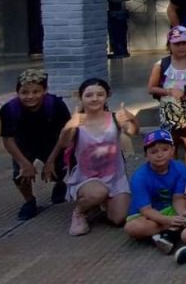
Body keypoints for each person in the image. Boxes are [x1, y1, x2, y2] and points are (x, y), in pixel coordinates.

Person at [57, 78, 139, 236]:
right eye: (89, 95)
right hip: (86, 178)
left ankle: (102, 203)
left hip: (115, 177)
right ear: (80, 97)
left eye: (100, 94)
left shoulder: (114, 118)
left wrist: (131, 118)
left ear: (107, 96)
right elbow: (64, 143)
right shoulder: (78, 121)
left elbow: (132, 131)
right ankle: (79, 212)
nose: (95, 99)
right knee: (98, 192)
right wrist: (70, 126)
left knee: (119, 218)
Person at [0, 69, 71, 221]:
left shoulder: (56, 105)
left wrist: (51, 161)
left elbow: (64, 134)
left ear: (45, 90)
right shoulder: (9, 110)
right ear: (17, 92)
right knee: (20, 175)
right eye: (24, 92)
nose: (30, 96)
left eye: (36, 92)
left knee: (59, 169)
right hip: (23, 144)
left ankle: (60, 183)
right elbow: (7, 139)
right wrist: (24, 163)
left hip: (52, 142)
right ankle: (29, 201)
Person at [123, 130, 186, 254]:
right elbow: (146, 210)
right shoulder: (139, 178)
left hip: (170, 207)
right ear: (146, 155)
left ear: (172, 150)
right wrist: (168, 220)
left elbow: (178, 198)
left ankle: (172, 230)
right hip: (145, 215)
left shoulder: (180, 168)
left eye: (165, 150)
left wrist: (183, 213)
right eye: (154, 152)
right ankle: (177, 227)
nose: (160, 155)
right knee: (132, 228)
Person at [147, 26, 186, 195]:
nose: (181, 47)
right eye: (177, 44)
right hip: (169, 110)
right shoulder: (161, 65)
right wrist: (169, 91)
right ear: (169, 45)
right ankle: (172, 175)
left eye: (185, 43)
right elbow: (151, 88)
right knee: (171, 143)